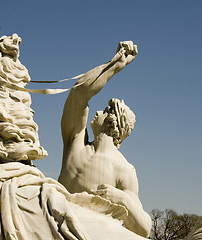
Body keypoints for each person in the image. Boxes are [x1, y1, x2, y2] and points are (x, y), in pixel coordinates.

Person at [58, 41, 152, 237]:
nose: (98, 111)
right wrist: (114, 66)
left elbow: (144, 228)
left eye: (105, 110)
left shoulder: (124, 170)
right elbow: (78, 94)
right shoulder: (76, 141)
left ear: (111, 121)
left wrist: (123, 199)